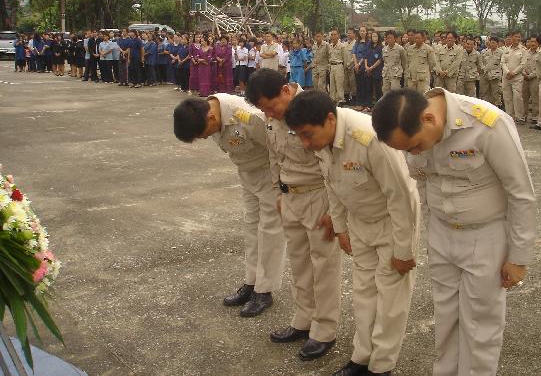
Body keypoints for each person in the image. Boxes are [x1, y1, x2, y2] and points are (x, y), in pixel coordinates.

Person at [372, 88, 536, 376]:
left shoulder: (486, 124)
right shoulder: (413, 133)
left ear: (429, 119)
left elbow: (520, 193)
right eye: (407, 150)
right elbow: (422, 184)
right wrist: (432, 233)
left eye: (415, 146)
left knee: (480, 324)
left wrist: (519, 257)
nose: (414, 153)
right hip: (442, 234)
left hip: (485, 236)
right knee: (445, 316)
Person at [285, 91, 420, 376]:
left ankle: (381, 366)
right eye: (300, 136)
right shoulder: (322, 141)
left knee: (390, 300)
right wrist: (341, 228)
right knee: (363, 293)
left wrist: (404, 249)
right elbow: (332, 185)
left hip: (391, 223)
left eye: (308, 135)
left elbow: (401, 196)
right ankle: (361, 358)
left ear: (330, 119)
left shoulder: (369, 138)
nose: (305, 144)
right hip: (360, 222)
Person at [246, 69, 341, 362]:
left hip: (318, 196)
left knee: (323, 266)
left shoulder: (314, 109)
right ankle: (303, 319)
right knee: (299, 263)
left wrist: (335, 210)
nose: (268, 114)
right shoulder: (272, 119)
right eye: (263, 110)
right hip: (290, 198)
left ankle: (324, 330)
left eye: (270, 106)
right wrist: (278, 192)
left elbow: (333, 164)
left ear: (286, 91)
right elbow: (274, 157)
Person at [173, 95, 286, 316]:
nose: (205, 138)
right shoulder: (207, 113)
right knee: (251, 229)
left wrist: (280, 185)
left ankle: (265, 290)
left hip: (269, 175)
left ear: (212, 118)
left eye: (203, 134)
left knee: (270, 232)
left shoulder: (248, 117)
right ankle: (252, 282)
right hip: (247, 174)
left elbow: (277, 147)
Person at [501, 31, 527, 123]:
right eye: (516, 36)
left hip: (517, 78)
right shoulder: (506, 49)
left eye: (519, 37)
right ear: (511, 37)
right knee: (507, 97)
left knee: (517, 97)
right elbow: (503, 62)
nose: (518, 38)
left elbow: (523, 64)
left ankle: (519, 116)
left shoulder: (523, 50)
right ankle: (509, 116)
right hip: (506, 77)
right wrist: (507, 72)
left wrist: (514, 73)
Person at [382, 30, 406, 94]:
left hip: (396, 74)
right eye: (388, 38)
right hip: (386, 74)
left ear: (395, 38)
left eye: (391, 38)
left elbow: (404, 62)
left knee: (395, 92)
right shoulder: (384, 49)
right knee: (385, 91)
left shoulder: (400, 49)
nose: (389, 40)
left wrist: (402, 71)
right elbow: (384, 61)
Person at [480, 36, 503, 107]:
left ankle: (497, 106)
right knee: (485, 92)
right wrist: (483, 68)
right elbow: (481, 62)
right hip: (486, 75)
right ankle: (487, 107)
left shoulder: (501, 53)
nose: (492, 44)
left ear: (497, 43)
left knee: (495, 93)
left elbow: (502, 64)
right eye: (491, 42)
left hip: (495, 76)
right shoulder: (486, 52)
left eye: (494, 43)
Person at [522, 36, 539, 124]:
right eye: (531, 41)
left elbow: (539, 68)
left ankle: (535, 117)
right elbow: (522, 64)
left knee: (535, 98)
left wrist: (530, 76)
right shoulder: (525, 52)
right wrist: (524, 74)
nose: (532, 43)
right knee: (524, 97)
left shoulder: (540, 53)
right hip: (525, 78)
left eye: (534, 42)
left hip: (535, 79)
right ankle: (523, 116)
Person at [352, 27, 370, 111]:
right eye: (361, 31)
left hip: (364, 66)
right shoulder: (357, 42)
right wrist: (356, 64)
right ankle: (359, 103)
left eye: (364, 31)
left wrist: (359, 64)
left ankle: (364, 104)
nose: (362, 32)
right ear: (359, 32)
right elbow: (353, 53)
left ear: (366, 32)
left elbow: (365, 54)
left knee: (364, 86)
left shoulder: (368, 43)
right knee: (358, 86)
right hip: (356, 66)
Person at [365, 31, 384, 105]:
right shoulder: (368, 46)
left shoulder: (381, 47)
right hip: (368, 70)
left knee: (378, 89)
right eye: (373, 36)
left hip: (377, 71)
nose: (374, 38)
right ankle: (369, 105)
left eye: (376, 36)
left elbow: (380, 59)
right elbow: (365, 56)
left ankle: (378, 104)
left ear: (378, 37)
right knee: (369, 88)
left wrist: (372, 67)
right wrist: (366, 66)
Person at [328, 29, 346, 105]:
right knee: (332, 85)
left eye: (335, 34)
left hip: (339, 65)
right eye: (332, 35)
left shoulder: (342, 46)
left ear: (338, 35)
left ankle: (341, 100)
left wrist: (343, 69)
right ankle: (333, 100)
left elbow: (344, 58)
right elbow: (329, 57)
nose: (333, 36)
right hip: (332, 66)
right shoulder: (330, 46)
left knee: (339, 84)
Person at [344, 28, 358, 104]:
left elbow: (356, 56)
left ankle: (354, 99)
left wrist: (349, 64)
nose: (348, 34)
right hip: (344, 68)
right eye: (348, 33)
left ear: (354, 34)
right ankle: (346, 99)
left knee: (353, 83)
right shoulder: (344, 44)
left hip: (352, 67)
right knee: (345, 83)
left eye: (350, 33)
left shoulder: (356, 44)